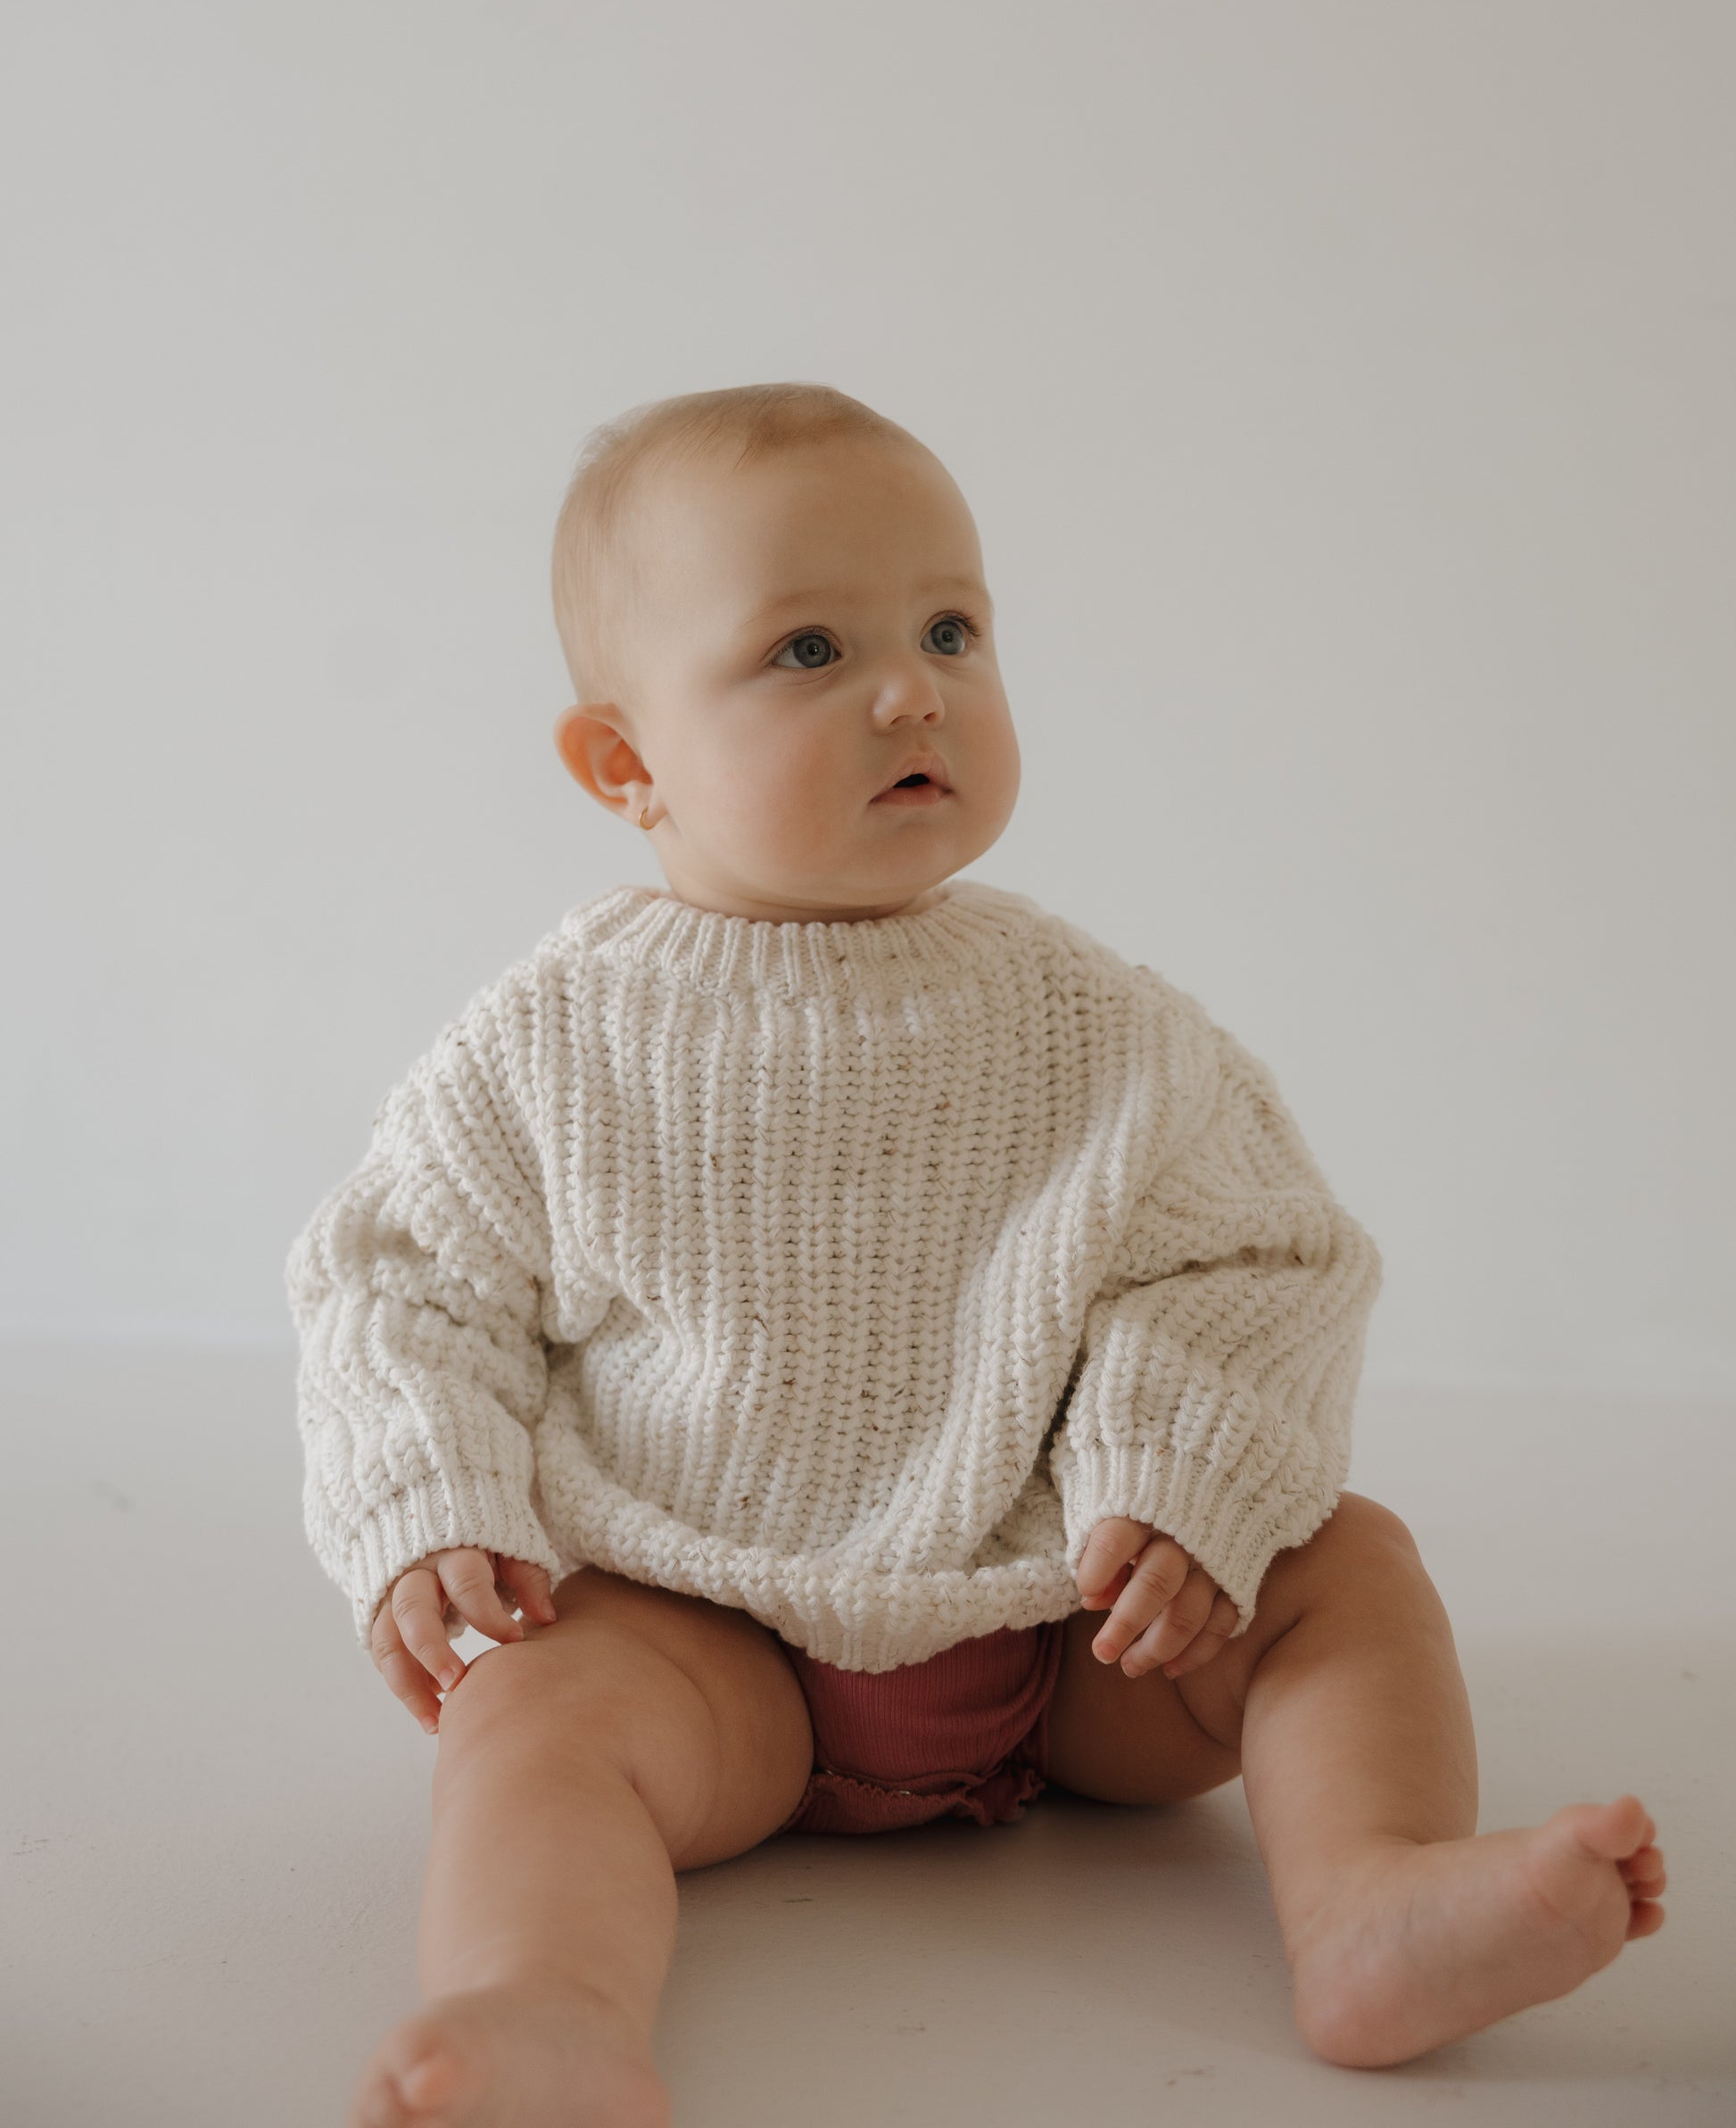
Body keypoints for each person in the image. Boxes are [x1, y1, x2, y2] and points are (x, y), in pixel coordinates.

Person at [288, 382, 1666, 2128]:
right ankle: (545, 2005)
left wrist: (1174, 1477)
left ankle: (1372, 1891)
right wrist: (433, 1499)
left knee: (1346, 1561)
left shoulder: (1098, 1022)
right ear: (623, 760)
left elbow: (1254, 1259)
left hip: (1069, 1627)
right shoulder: (549, 1044)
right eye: (806, 646)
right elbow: (404, 1281)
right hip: (710, 1643)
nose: (908, 686)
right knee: (534, 1708)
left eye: (951, 626)